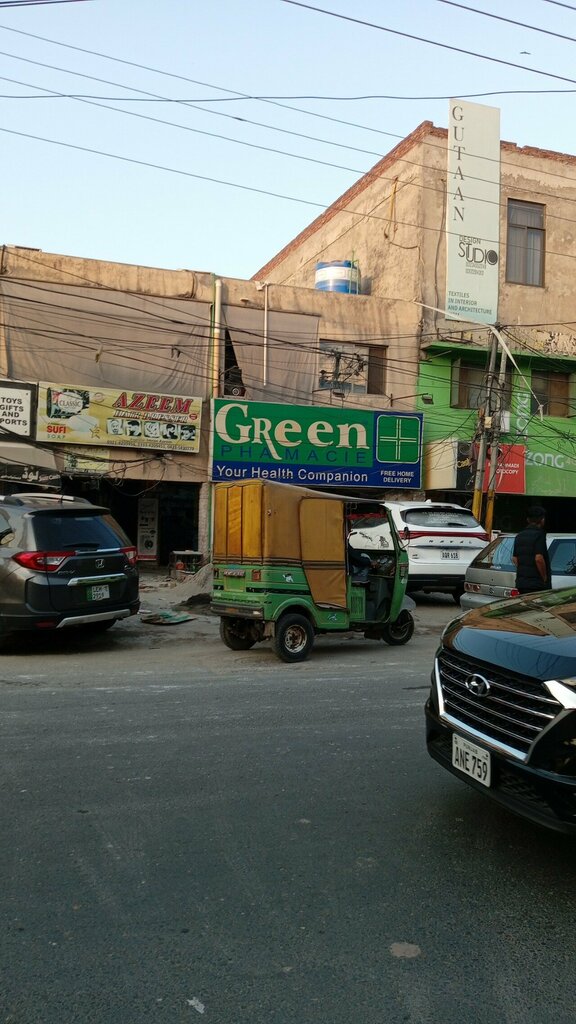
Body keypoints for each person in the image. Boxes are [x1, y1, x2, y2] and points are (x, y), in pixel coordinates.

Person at [512, 505, 551, 594]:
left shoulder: (519, 535)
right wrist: (544, 578)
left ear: (528, 520)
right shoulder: (539, 534)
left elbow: (514, 559)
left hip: (521, 583)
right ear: (542, 520)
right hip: (536, 584)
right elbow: (539, 558)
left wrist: (524, 571)